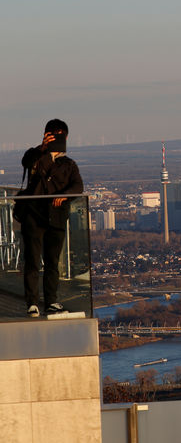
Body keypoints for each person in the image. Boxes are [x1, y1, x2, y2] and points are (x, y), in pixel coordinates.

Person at [18, 119, 83, 317]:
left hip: (55, 218)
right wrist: (42, 147)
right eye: (53, 133)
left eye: (59, 134)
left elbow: (78, 187)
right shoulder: (36, 157)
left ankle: (51, 301)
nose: (57, 137)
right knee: (32, 260)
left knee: (52, 262)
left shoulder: (68, 164)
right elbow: (25, 161)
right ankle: (32, 302)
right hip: (34, 216)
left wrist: (64, 195)